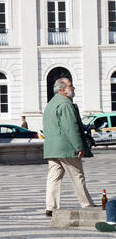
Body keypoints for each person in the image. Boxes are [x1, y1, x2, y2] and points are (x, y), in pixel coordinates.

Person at [42, 77, 95, 217]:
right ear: (63, 90)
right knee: (77, 175)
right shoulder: (65, 104)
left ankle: (51, 207)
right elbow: (71, 127)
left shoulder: (50, 104)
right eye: (71, 86)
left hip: (52, 148)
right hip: (66, 147)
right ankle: (87, 204)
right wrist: (79, 147)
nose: (73, 88)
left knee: (54, 177)